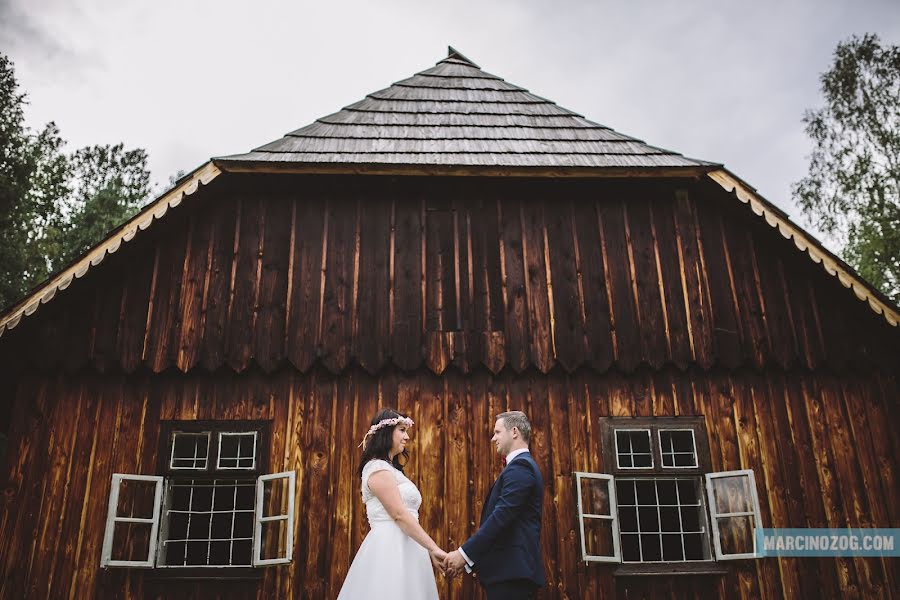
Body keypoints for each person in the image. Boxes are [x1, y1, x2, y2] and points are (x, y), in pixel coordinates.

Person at [336, 408, 446, 600]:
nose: (407, 437)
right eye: (402, 430)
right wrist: (433, 548)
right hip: (390, 548)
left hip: (410, 546)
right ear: (386, 433)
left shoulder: (391, 470)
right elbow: (399, 515)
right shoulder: (376, 467)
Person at [444, 410, 545, 600]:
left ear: (514, 432)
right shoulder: (520, 467)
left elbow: (501, 517)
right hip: (509, 574)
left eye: (497, 432)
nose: (493, 438)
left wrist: (463, 555)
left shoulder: (522, 467)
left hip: (512, 575)